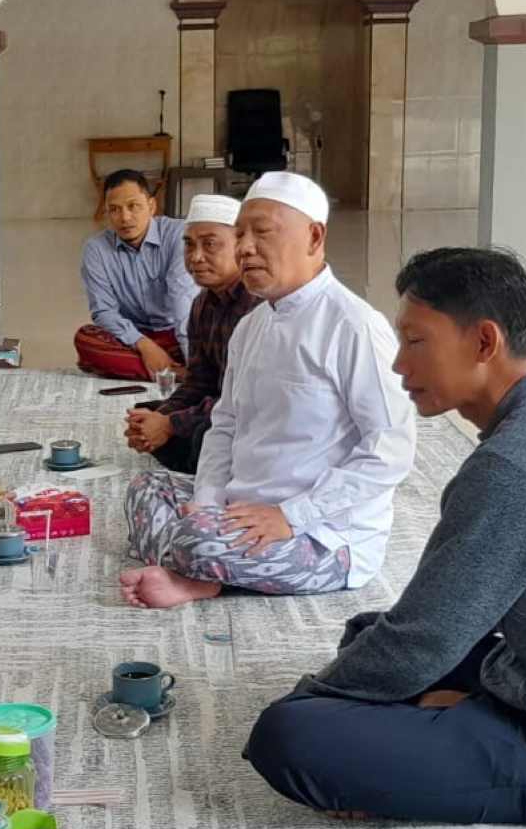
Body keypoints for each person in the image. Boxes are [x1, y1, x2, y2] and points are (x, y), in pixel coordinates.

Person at [244, 248, 526, 825]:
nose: (399, 365)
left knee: (289, 734)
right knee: (367, 635)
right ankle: (454, 724)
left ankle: (450, 739)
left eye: (415, 341)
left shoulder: (513, 466)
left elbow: (426, 639)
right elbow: (436, 622)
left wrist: (313, 696)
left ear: (484, 342)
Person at [119, 172, 416, 609]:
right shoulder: (251, 326)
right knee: (146, 488)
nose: (245, 247)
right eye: (240, 234)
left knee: (197, 541)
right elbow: (224, 425)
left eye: (262, 232)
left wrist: (291, 515)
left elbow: (391, 450)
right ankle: (197, 569)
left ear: (314, 237)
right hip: (240, 509)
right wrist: (206, 503)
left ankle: (198, 569)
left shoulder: (354, 327)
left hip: (321, 533)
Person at [123, 194, 259, 474]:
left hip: (250, 414)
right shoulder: (202, 304)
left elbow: (246, 401)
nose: (196, 257)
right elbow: (199, 382)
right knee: (147, 412)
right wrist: (159, 419)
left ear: (240, 246)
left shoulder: (258, 307)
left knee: (203, 439)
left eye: (210, 244)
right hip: (217, 406)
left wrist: (170, 425)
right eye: (189, 245)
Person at [75, 168, 199, 380]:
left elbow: (183, 304)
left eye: (133, 206)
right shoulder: (96, 249)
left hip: (177, 332)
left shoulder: (178, 235)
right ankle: (173, 372)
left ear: (151, 206)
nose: (124, 217)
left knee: (214, 337)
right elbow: (103, 311)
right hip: (133, 336)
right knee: (86, 338)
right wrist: (144, 345)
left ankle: (157, 368)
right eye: (114, 209)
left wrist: (195, 364)